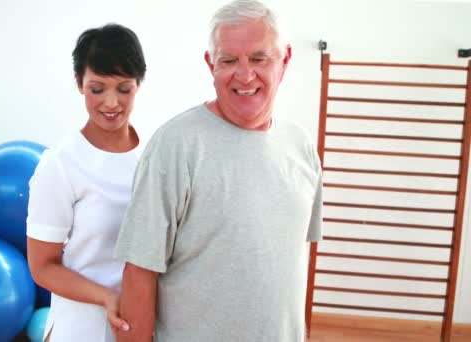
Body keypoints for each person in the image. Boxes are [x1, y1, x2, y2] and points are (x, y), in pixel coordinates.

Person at [114, 1, 322, 341]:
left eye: (258, 58)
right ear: (211, 64)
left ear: (284, 60)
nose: (244, 74)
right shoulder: (175, 146)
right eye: (229, 60)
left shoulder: (301, 147)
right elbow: (138, 273)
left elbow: (293, 268)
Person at [26, 23, 146, 342]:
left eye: (124, 88)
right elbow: (42, 266)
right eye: (97, 88)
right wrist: (107, 296)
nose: (111, 103)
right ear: (80, 83)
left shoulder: (155, 155)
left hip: (145, 324)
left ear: (139, 85)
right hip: (82, 330)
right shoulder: (61, 164)